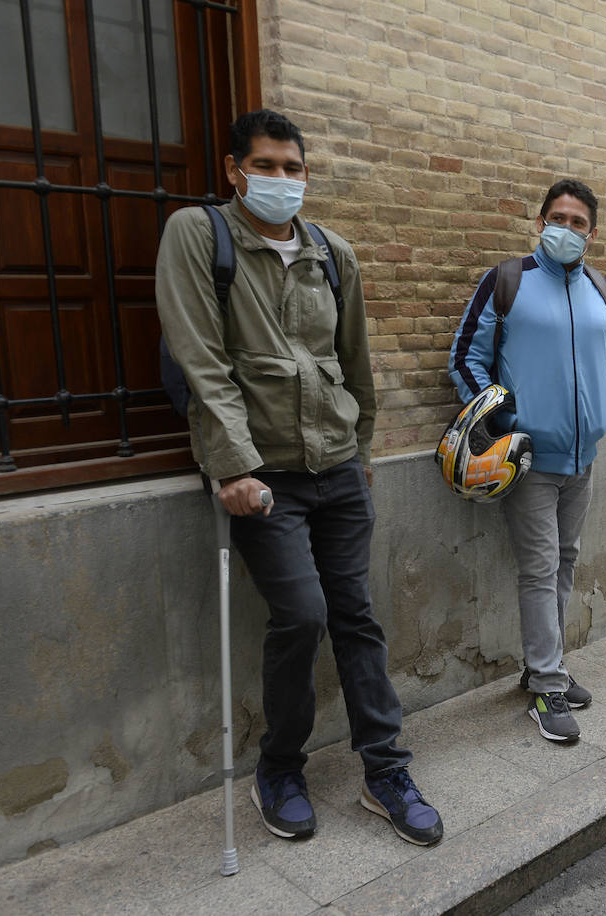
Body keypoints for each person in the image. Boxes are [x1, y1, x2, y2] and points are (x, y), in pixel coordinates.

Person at [156, 109, 443, 845]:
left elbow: (357, 364)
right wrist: (233, 466)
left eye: (293, 167)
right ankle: (279, 768)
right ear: (233, 168)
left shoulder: (331, 252)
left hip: (338, 468)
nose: (281, 179)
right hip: (264, 478)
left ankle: (386, 772)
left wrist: (365, 451)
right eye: (266, 165)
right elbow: (203, 360)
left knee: (357, 617)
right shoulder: (200, 235)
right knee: (304, 616)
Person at [449, 178, 606, 743]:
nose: (567, 229)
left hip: (584, 455)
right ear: (540, 221)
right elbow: (465, 358)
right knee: (540, 566)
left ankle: (542, 665)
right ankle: (548, 686)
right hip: (526, 461)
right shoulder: (507, 282)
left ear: (592, 233)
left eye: (578, 222)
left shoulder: (601, 288)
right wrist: (505, 425)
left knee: (566, 559)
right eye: (558, 217)